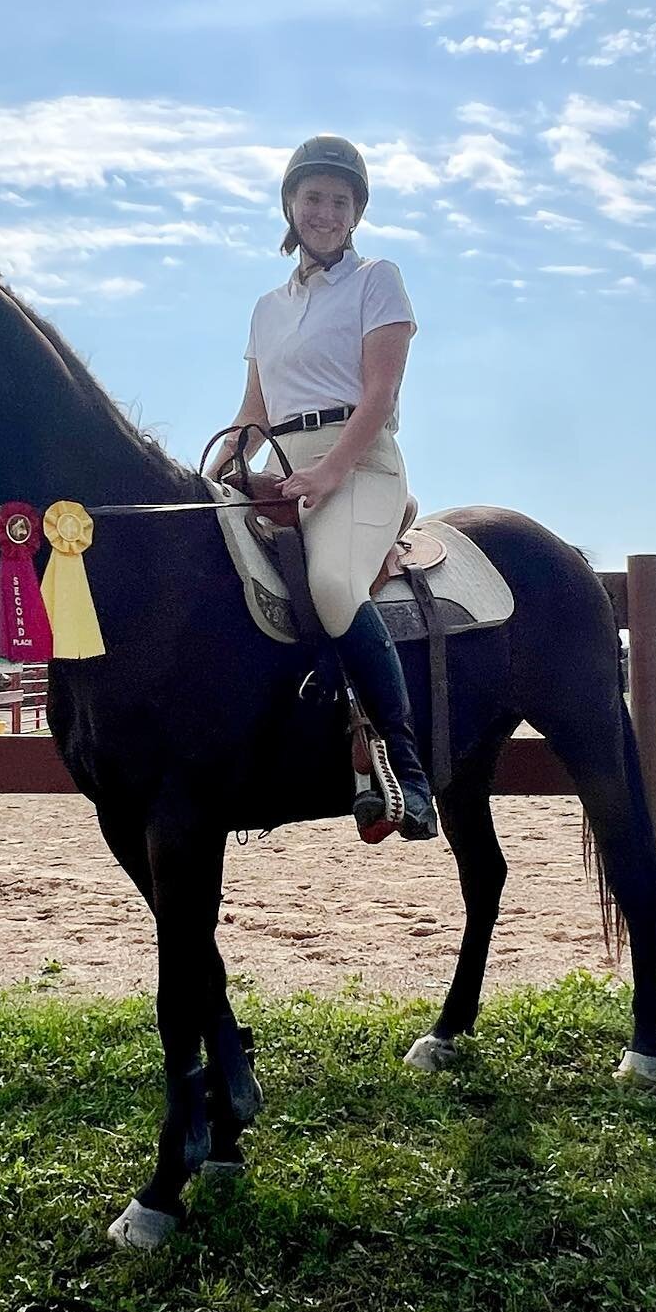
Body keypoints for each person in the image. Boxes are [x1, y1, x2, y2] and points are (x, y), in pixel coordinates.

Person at [206, 134, 437, 841]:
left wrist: (330, 472)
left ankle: (406, 762)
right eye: (313, 198)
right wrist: (222, 466)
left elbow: (379, 394)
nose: (325, 212)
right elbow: (255, 408)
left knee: (334, 585)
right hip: (280, 460)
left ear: (356, 213)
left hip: (360, 463)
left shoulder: (379, 281)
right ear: (290, 205)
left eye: (340, 201)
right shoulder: (266, 307)